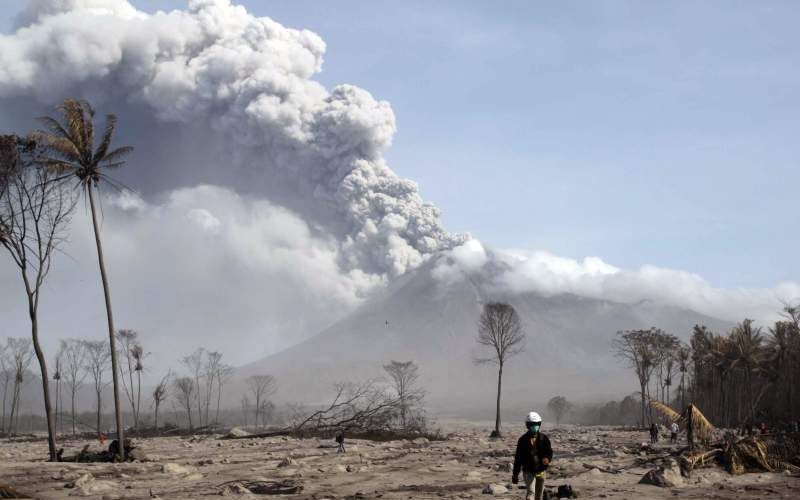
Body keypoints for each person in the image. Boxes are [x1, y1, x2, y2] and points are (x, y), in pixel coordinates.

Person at [512, 412, 553, 500]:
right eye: (533, 424)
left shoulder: (543, 438)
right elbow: (518, 458)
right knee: (531, 493)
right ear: (528, 425)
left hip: (541, 471)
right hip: (528, 471)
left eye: (536, 424)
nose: (535, 426)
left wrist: (547, 459)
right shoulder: (523, 440)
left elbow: (549, 451)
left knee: (539, 496)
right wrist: (515, 474)